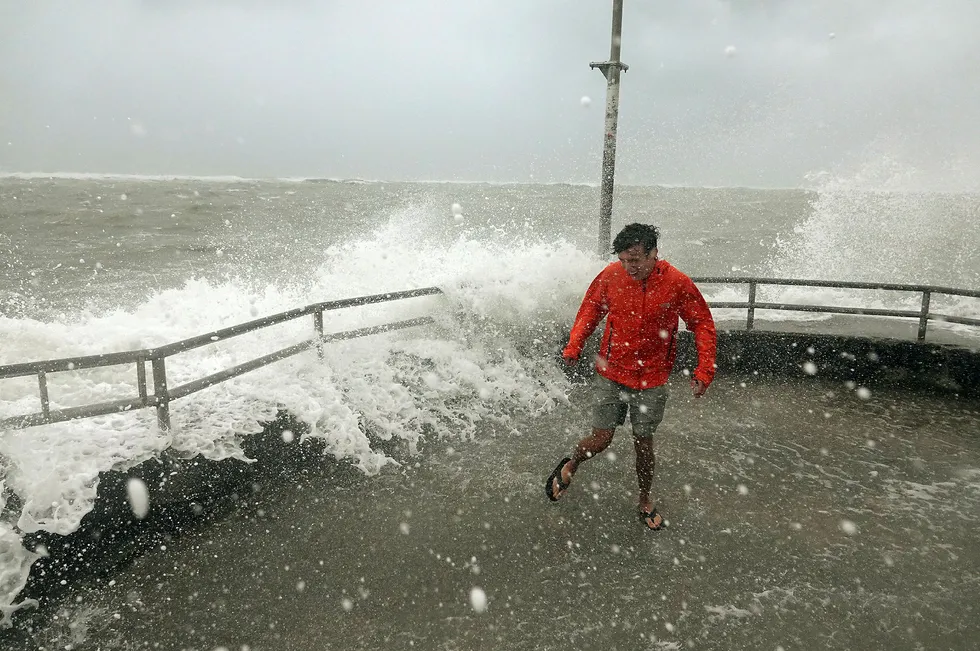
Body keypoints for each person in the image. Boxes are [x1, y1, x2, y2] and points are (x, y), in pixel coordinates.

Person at [546, 223, 717, 530]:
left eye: (636, 260)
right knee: (601, 439)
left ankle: (644, 499)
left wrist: (705, 370)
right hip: (611, 371)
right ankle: (571, 463)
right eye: (624, 260)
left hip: (651, 379)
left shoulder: (676, 283)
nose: (629, 267)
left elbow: (702, 323)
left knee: (643, 444)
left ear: (654, 254)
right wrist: (574, 346)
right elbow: (590, 310)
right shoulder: (611, 276)